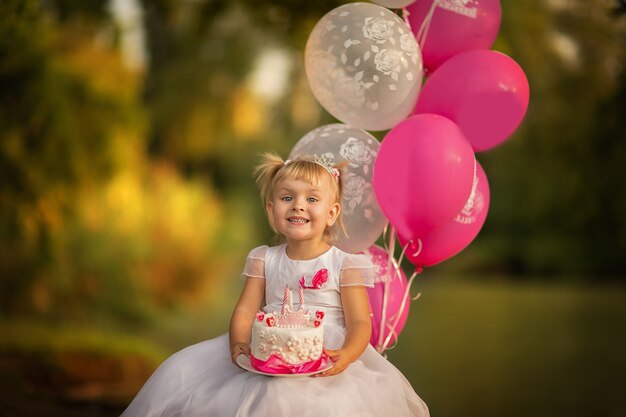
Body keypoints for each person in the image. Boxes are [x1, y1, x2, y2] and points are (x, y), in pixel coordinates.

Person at [120, 153, 429, 417]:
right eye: (286, 198)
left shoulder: (344, 264)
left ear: (332, 213)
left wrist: (347, 354)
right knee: (183, 372)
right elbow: (244, 310)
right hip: (267, 346)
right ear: (271, 210)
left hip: (326, 347)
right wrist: (239, 342)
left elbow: (361, 322)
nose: (298, 206)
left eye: (311, 199)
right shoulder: (264, 259)